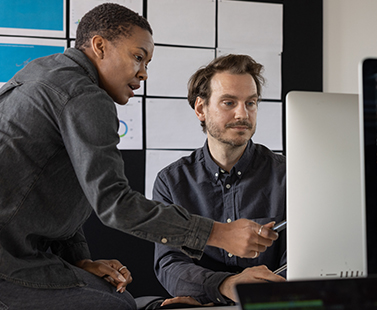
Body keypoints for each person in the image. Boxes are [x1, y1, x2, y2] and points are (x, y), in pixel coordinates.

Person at [0, 4, 277, 310]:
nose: (143, 72)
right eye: (137, 57)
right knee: (118, 305)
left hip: (22, 252)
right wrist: (218, 233)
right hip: (9, 260)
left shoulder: (41, 73)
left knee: (115, 295)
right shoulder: (85, 95)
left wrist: (79, 260)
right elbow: (114, 204)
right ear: (99, 46)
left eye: (251, 103)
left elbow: (56, 191)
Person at [152, 54, 286, 307]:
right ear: (201, 109)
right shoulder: (171, 181)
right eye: (229, 102)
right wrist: (224, 285)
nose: (242, 114)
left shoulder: (288, 175)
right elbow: (169, 264)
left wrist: (259, 292)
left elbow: (300, 260)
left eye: (251, 103)